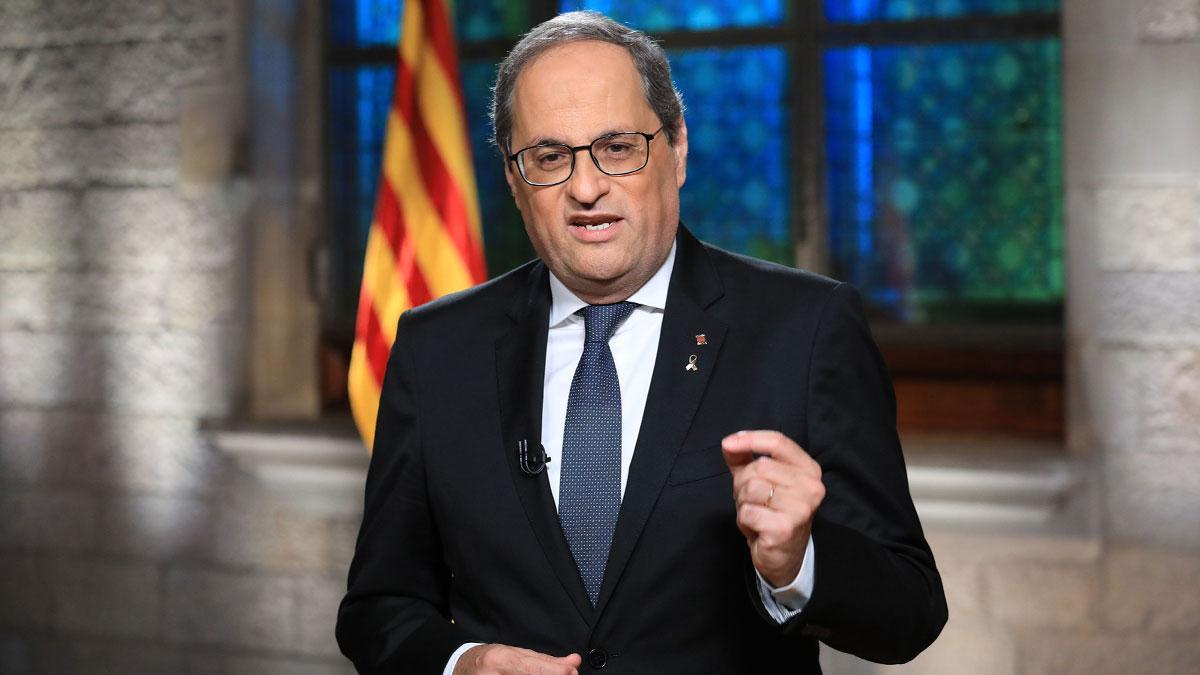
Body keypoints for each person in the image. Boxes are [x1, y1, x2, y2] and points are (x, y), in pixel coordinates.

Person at [337, 11, 946, 674]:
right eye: (549, 157)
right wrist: (465, 662)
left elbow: (910, 611)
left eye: (618, 147)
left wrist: (798, 561)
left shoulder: (806, 328)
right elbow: (377, 608)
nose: (587, 187)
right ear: (513, 180)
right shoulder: (436, 348)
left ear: (677, 148)